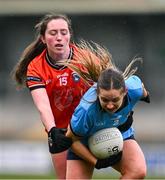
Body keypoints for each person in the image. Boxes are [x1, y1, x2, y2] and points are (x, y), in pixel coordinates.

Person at [12, 13, 98, 179]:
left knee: (136, 171)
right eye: (53, 33)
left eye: (63, 32)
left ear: (69, 36)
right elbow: (43, 106)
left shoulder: (87, 59)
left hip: (90, 127)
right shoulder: (36, 67)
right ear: (43, 39)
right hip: (61, 132)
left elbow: (109, 86)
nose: (59, 37)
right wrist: (52, 131)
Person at [63, 42, 150, 179]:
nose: (110, 105)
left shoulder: (134, 89)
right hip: (83, 141)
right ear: (97, 93)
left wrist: (145, 96)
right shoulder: (86, 109)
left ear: (125, 92)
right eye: (105, 100)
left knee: (137, 171)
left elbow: (142, 90)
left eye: (115, 100)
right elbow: (71, 140)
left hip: (119, 132)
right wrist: (96, 162)